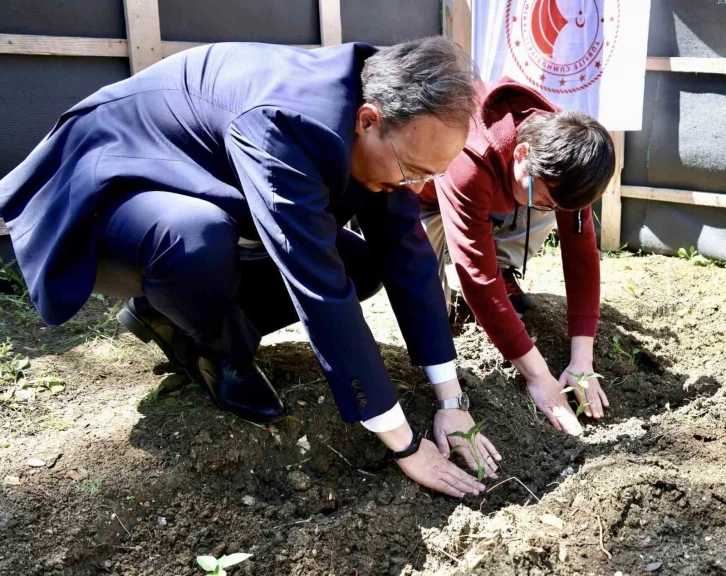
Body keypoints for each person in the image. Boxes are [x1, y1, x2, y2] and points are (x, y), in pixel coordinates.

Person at [0, 38, 502, 497]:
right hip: (100, 191)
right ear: (368, 120)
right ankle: (216, 349)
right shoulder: (289, 120)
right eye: (413, 170)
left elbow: (408, 253)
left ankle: (165, 311)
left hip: (185, 187)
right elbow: (317, 287)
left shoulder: (388, 118)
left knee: (361, 265)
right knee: (195, 239)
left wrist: (450, 400)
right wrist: (405, 443)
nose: (417, 186)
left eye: (430, 175)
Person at [418, 77, 616, 436]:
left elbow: (581, 254)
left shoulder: (564, 150)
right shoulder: (471, 157)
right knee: (427, 302)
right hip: (424, 195)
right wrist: (538, 376)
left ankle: (505, 266)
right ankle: (440, 314)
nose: (552, 210)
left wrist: (582, 360)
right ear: (522, 154)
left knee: (539, 203)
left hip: (510, 186)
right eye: (548, 201)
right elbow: (476, 277)